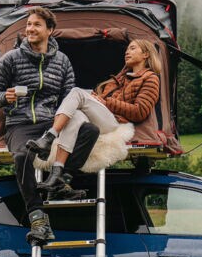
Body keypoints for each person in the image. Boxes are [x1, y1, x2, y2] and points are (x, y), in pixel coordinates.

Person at [0, 7, 99, 245]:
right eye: (28, 25)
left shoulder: (62, 61)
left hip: (50, 121)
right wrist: (5, 97)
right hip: (20, 123)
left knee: (90, 131)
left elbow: (69, 97)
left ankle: (61, 180)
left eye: (36, 25)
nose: (30, 29)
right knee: (21, 157)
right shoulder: (11, 59)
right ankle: (37, 219)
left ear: (50, 30)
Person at [27, 38, 161, 195]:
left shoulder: (150, 78)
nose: (127, 52)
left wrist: (105, 101)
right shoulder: (119, 78)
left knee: (76, 92)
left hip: (115, 122)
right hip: (101, 116)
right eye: (127, 49)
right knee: (75, 114)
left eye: (132, 48)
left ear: (145, 54)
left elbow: (140, 112)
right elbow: (101, 102)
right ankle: (57, 174)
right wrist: (97, 97)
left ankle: (49, 137)